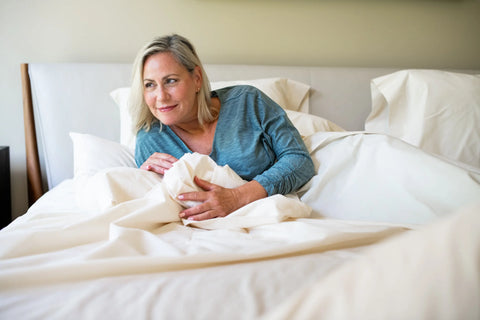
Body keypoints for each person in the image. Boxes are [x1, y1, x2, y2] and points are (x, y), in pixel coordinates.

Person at [130, 34, 315, 221]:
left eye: (171, 81)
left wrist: (238, 197)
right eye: (149, 85)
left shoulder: (248, 103)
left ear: (196, 78)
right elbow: (154, 206)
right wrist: (144, 180)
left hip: (268, 217)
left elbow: (299, 160)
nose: (161, 96)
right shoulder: (150, 139)